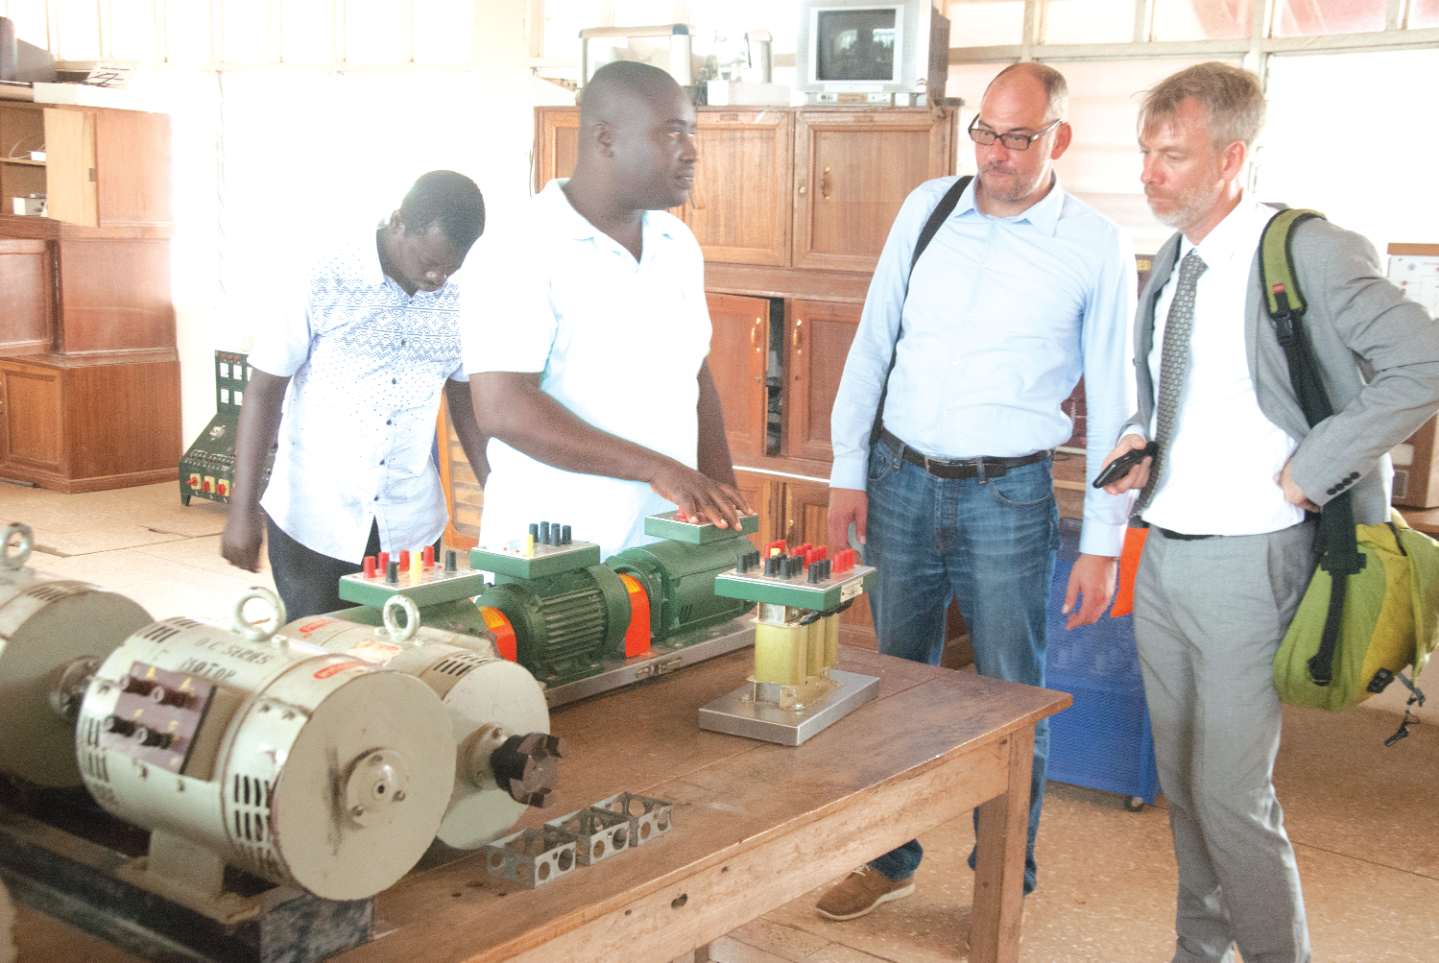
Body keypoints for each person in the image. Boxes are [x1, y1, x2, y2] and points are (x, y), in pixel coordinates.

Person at [1100, 62, 1439, 963]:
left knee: (1230, 796)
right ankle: (1198, 951)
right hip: (1165, 554)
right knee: (1181, 781)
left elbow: (1423, 362)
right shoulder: (1173, 260)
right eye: (1144, 153)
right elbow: (1178, 394)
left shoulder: (1306, 251)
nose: (1149, 173)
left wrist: (1315, 467)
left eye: (1170, 155)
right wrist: (1143, 441)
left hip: (1251, 564)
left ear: (1232, 157)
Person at [817, 62, 1136, 923]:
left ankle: (1004, 878)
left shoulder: (1095, 244)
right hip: (898, 482)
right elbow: (875, 338)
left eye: (1018, 137)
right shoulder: (927, 208)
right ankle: (889, 858)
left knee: (1007, 700)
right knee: (894, 685)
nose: (995, 153)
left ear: (1058, 139)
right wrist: (848, 467)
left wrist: (1105, 539)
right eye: (984, 133)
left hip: (1009, 499)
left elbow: (1115, 399)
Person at [462, 61, 748, 560]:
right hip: (556, 557)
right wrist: (660, 469)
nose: (692, 152)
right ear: (605, 137)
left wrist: (727, 512)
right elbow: (503, 407)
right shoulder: (518, 246)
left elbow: (696, 380)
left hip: (667, 551)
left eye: (692, 132)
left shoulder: (676, 243)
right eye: (673, 132)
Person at [221, 170, 490, 620]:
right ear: (400, 223)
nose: (439, 277)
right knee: (321, 660)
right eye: (429, 261)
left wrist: (497, 492)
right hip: (316, 516)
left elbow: (466, 402)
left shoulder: (464, 296)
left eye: (452, 266)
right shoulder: (322, 274)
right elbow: (263, 392)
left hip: (409, 523)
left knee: (406, 657)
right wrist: (242, 510)